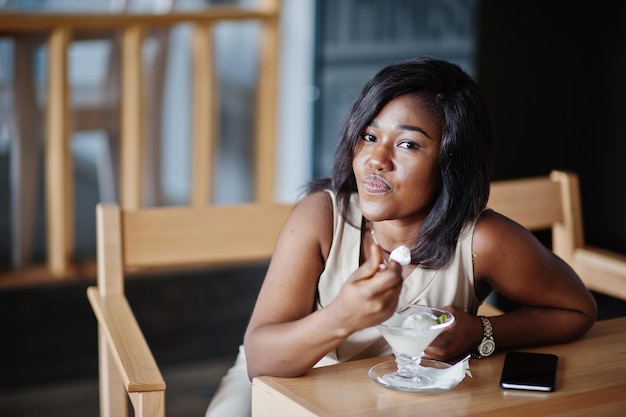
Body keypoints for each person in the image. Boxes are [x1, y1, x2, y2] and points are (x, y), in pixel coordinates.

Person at [205, 57, 597, 416]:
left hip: (394, 401)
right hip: (286, 384)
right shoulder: (321, 217)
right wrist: (342, 316)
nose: (376, 160)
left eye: (408, 144)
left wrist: (480, 332)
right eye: (370, 136)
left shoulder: (483, 241)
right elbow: (260, 361)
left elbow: (577, 310)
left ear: (451, 161)